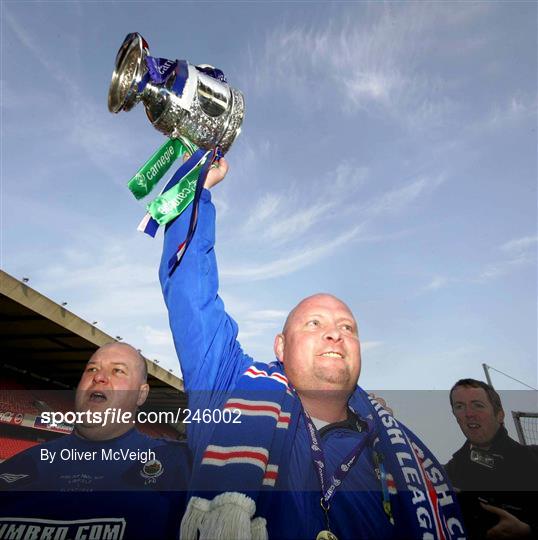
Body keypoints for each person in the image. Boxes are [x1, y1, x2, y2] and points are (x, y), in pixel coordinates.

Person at [159, 159, 465, 540]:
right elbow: (190, 289)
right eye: (314, 324)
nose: (335, 334)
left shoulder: (393, 451)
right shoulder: (228, 388)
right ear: (281, 347)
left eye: (347, 328)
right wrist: (196, 190)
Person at [0, 342, 191, 540]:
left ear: (141, 394)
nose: (98, 377)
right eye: (91, 369)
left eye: (118, 370)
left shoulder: (177, 466)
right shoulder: (22, 465)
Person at [446, 378, 538, 539]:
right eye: (459, 406)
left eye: (478, 405)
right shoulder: (448, 474)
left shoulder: (533, 459)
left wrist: (527, 531)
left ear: (499, 415)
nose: (468, 414)